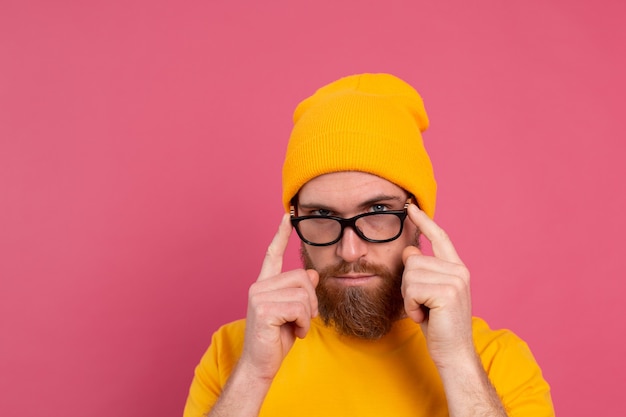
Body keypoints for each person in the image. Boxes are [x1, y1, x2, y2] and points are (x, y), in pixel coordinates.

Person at [183, 73, 554, 417]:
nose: (349, 251)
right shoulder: (235, 354)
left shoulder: (493, 361)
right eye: (322, 215)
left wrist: (457, 361)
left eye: (377, 211)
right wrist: (253, 377)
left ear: (418, 218)